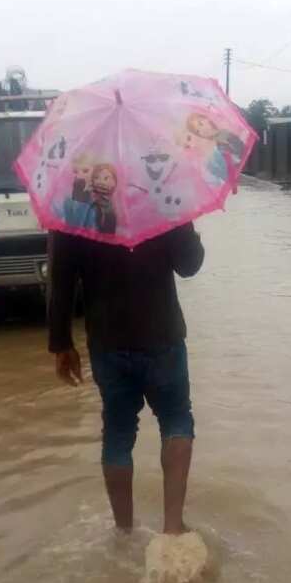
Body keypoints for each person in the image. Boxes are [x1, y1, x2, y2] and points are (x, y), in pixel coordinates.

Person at [48, 223, 204, 534]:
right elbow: (189, 264)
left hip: (108, 342)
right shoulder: (159, 192)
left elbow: (61, 276)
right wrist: (185, 224)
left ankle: (124, 532)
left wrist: (61, 342)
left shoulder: (75, 200)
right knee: (175, 420)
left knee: (118, 433)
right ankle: (173, 528)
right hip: (163, 336)